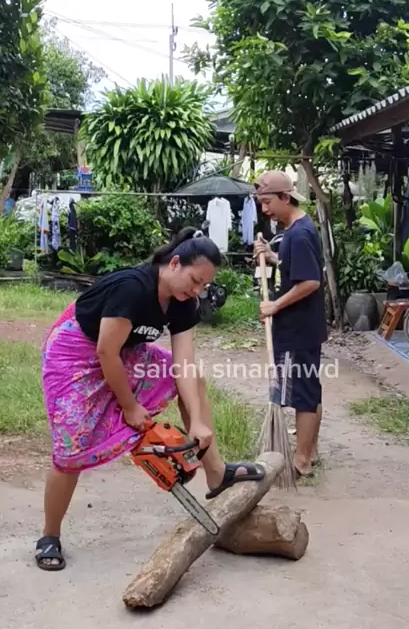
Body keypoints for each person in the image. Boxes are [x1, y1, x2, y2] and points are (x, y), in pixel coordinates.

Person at [36, 227, 265, 571]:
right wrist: (130, 406)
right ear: (174, 263)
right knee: (71, 448)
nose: (197, 290)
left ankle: (217, 474)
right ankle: (49, 536)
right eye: (195, 280)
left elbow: (183, 364)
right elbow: (105, 351)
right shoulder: (132, 288)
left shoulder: (184, 302)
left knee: (192, 378)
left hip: (121, 351)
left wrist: (198, 422)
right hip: (74, 355)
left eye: (204, 285)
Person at [253, 171, 327, 478]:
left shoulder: (298, 235)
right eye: (261, 203)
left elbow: (310, 281)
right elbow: (295, 267)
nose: (265, 210)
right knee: (309, 388)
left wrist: (275, 305)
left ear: (285, 197)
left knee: (302, 394)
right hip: (305, 327)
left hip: (297, 329)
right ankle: (311, 451)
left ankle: (302, 461)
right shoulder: (297, 229)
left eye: (268, 202)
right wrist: (272, 256)